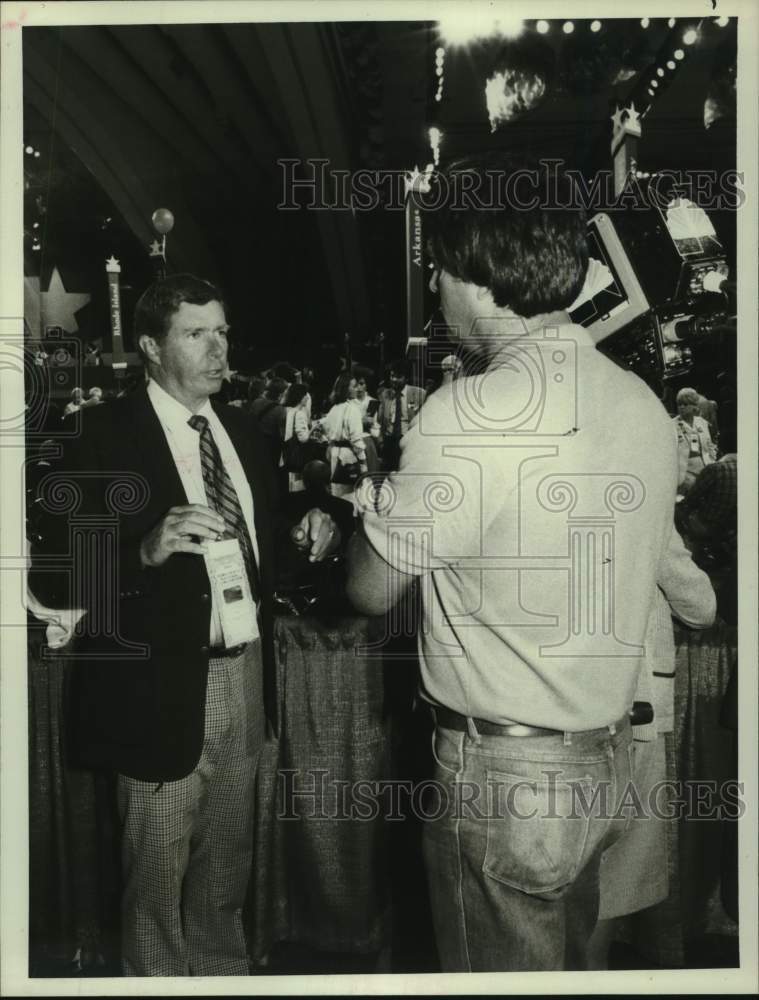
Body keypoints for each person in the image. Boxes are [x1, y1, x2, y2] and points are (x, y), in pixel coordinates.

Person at [346, 153, 678, 972]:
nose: (433, 287)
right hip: (608, 758)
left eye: (439, 268)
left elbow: (367, 588)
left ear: (479, 276)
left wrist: (375, 503)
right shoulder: (639, 402)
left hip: (507, 777)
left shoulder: (468, 412)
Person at [29, 273, 340, 976]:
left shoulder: (243, 432)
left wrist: (314, 532)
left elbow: (266, 545)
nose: (217, 349)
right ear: (150, 346)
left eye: (222, 332)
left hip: (245, 676)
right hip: (156, 694)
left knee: (225, 879)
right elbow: (53, 576)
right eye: (196, 334)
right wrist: (142, 549)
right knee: (154, 890)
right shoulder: (102, 435)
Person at [588, 527, 716, 969]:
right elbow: (701, 607)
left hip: (555, 707)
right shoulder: (647, 506)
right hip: (634, 707)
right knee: (613, 872)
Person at [320, 372, 368, 497]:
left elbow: (325, 431)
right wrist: (363, 463)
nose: (357, 389)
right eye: (354, 386)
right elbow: (356, 440)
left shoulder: (333, 409)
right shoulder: (353, 410)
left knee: (337, 494)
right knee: (351, 497)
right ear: (346, 389)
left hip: (334, 454)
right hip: (348, 456)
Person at [377, 359, 426, 471]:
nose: (394, 379)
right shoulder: (385, 394)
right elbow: (380, 421)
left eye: (398, 377)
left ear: (406, 378)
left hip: (408, 441)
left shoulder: (419, 394)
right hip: (389, 442)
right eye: (392, 376)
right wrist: (380, 442)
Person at [673, 386, 716, 494]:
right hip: (685, 473)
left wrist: (712, 460)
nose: (681, 407)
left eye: (685, 404)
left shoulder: (701, 422)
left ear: (694, 406)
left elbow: (710, 445)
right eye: (679, 404)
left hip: (706, 469)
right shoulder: (671, 425)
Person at [282, 381, 313, 491]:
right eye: (305, 395)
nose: (307, 398)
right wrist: (313, 429)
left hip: (287, 452)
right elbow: (303, 438)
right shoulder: (299, 414)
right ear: (300, 397)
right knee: (298, 483)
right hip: (298, 454)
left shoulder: (287, 411)